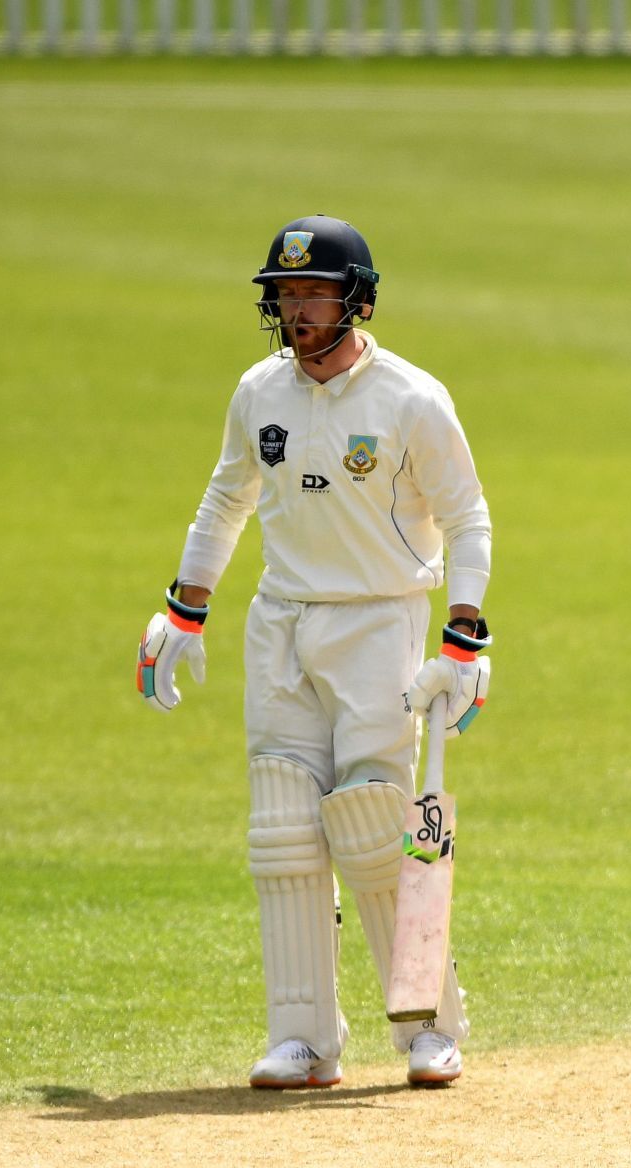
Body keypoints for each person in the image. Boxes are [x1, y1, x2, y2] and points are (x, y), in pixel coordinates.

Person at [137, 215, 493, 1089]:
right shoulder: (261, 391)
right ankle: (304, 1038)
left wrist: (465, 634)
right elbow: (225, 501)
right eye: (285, 295)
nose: (297, 312)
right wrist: (185, 611)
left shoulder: (412, 398)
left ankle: (427, 1025)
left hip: (381, 623)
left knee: (374, 823)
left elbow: (469, 517)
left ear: (357, 300)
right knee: (284, 825)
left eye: (312, 294)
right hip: (282, 624)